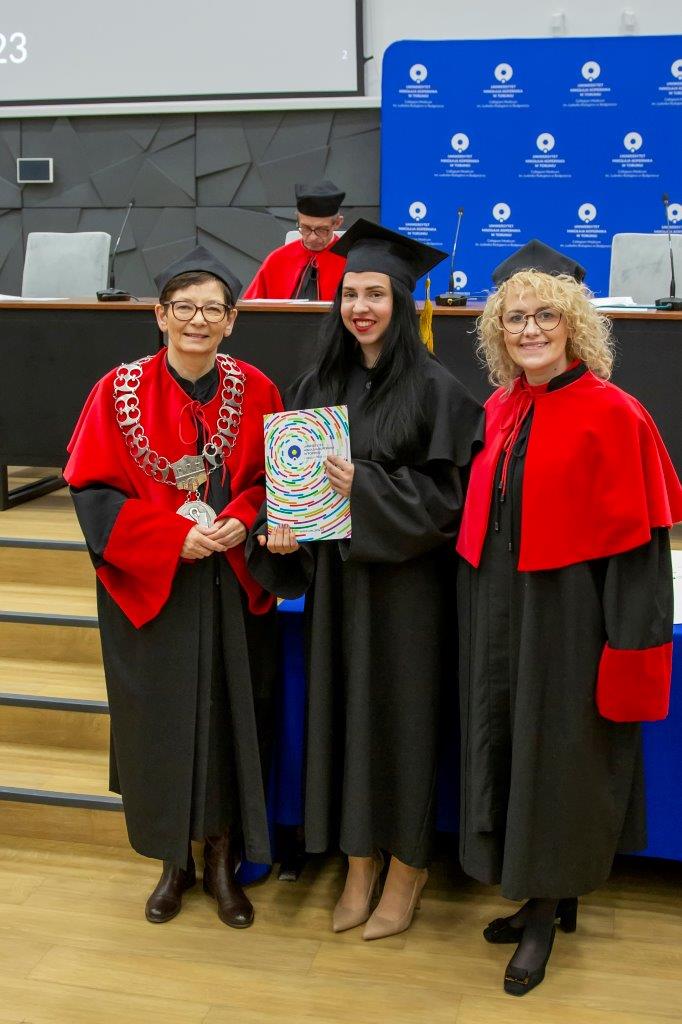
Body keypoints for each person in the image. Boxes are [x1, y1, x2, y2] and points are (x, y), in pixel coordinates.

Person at [246, 220, 484, 940]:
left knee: (404, 725)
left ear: (401, 303)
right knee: (342, 719)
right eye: (350, 294)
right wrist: (281, 528)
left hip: (409, 594)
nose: (360, 307)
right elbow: (289, 485)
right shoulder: (318, 385)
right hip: (340, 588)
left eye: (375, 294)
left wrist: (367, 488)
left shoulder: (438, 391)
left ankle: (407, 869)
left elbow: (451, 502)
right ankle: (357, 862)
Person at [456, 239, 682, 995]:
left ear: (574, 324)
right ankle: (537, 893)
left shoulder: (616, 415)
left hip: (571, 624)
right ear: (498, 330)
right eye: (515, 317)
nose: (529, 329)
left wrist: (630, 649)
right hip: (503, 615)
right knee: (513, 754)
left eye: (545, 315)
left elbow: (640, 555)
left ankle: (548, 912)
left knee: (559, 762)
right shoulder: (501, 407)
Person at [64, 245, 283, 929]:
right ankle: (172, 862)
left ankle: (221, 860)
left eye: (212, 310)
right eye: (183, 307)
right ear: (160, 315)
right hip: (154, 588)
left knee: (229, 718)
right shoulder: (116, 391)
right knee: (158, 723)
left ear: (232, 321)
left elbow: (276, 481)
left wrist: (243, 516)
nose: (197, 320)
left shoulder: (258, 389)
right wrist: (167, 538)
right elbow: (91, 491)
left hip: (231, 582)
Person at [243, 179, 346, 300]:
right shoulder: (276, 260)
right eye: (305, 228)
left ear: (337, 223)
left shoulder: (349, 260)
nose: (312, 238)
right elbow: (250, 307)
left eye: (322, 230)